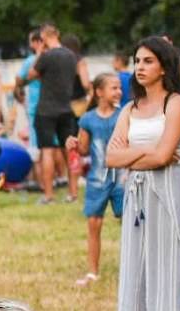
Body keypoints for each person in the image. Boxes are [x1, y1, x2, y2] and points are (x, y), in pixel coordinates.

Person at [107, 37, 180, 311]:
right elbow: (110, 157)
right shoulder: (130, 109)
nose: (140, 67)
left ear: (163, 66)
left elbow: (166, 155)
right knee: (146, 270)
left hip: (169, 193)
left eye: (147, 61)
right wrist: (139, 156)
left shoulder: (175, 104)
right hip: (138, 198)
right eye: (137, 61)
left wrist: (131, 154)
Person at [24, 25, 87, 205]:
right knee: (70, 151)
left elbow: (31, 74)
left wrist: (40, 52)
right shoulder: (71, 56)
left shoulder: (46, 56)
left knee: (47, 151)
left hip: (46, 110)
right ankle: (73, 193)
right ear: (58, 34)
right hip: (66, 109)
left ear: (43, 37)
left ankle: (49, 195)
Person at [74, 74, 124, 287]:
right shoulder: (87, 119)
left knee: (130, 224)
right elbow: (84, 148)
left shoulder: (125, 115)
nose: (119, 91)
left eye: (119, 87)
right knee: (94, 224)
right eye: (114, 88)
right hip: (97, 180)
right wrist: (74, 144)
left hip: (123, 178)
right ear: (99, 92)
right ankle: (93, 272)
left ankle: (137, 268)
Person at [12, 28, 45, 148]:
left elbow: (18, 80)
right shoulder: (55, 58)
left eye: (31, 41)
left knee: (36, 143)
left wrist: (22, 85)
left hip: (35, 105)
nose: (29, 44)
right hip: (54, 106)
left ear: (37, 43)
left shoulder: (30, 61)